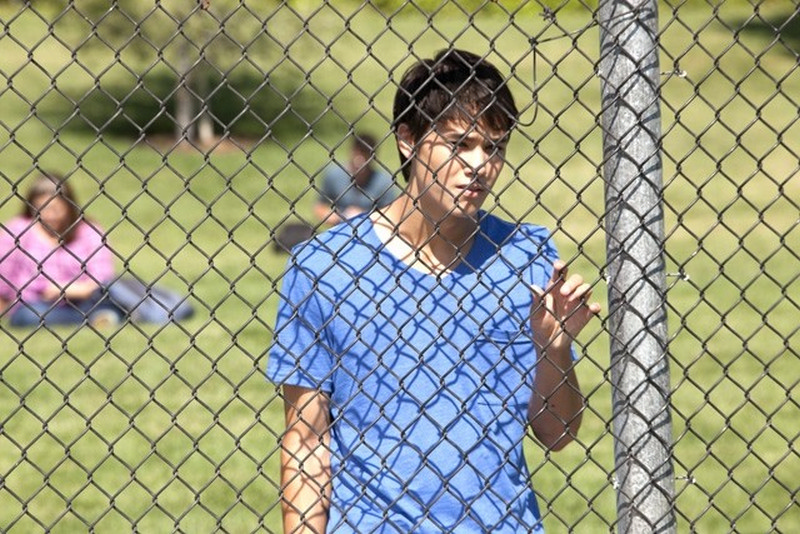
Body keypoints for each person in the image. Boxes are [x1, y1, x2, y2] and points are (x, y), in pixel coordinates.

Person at [268, 49, 602, 533]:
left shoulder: (526, 257)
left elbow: (558, 434)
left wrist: (555, 348)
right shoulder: (325, 268)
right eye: (459, 144)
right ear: (408, 140)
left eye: (494, 148)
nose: (479, 165)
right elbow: (306, 442)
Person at [0, 172, 123, 327]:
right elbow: (3, 275)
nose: (50, 216)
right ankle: (96, 319)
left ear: (69, 207)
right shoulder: (18, 230)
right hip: (37, 304)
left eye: (56, 209)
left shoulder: (88, 230)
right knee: (28, 316)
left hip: (84, 300)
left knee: (108, 301)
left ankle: (99, 315)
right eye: (41, 209)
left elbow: (103, 277)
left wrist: (72, 289)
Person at [313, 132, 399, 225]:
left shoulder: (383, 183)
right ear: (351, 151)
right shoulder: (334, 175)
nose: (360, 159)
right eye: (358, 153)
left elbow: (391, 214)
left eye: (365, 154)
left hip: (371, 227)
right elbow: (320, 206)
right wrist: (338, 216)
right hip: (340, 225)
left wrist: (364, 216)